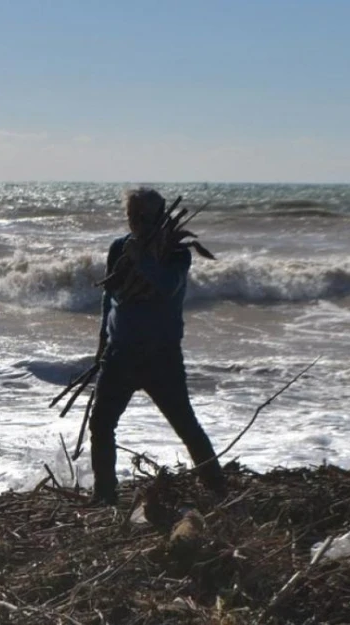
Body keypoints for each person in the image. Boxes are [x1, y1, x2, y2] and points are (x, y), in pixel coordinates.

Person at [89, 187, 227, 505]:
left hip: (160, 357)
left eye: (144, 216)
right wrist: (102, 339)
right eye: (131, 216)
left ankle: (217, 487)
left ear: (160, 216)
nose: (136, 222)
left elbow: (167, 287)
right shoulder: (119, 247)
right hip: (120, 354)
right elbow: (109, 294)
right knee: (101, 424)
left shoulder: (176, 253)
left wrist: (143, 262)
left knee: (185, 424)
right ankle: (104, 495)